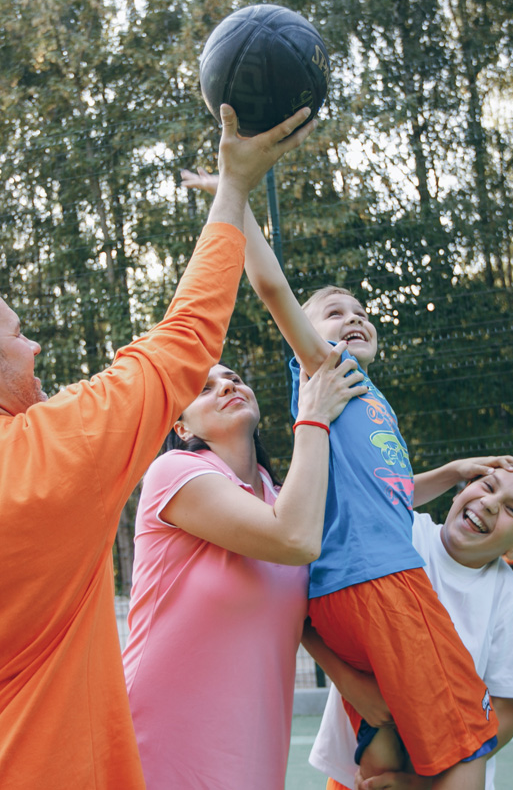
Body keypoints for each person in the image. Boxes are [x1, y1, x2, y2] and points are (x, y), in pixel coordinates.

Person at [0, 105, 315, 790]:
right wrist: (234, 186)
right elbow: (187, 336)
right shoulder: (58, 447)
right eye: (18, 333)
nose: (33, 345)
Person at [179, 168, 496, 790]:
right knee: (470, 746)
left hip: (342, 597)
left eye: (359, 312)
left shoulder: (370, 401)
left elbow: (392, 495)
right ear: (310, 331)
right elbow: (270, 286)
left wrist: (453, 472)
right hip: (383, 584)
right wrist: (234, 194)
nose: (352, 318)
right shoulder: (326, 370)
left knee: (387, 750)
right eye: (332, 312)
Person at [123, 355, 366, 789]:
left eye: (233, 378)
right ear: (183, 428)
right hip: (161, 728)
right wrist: (312, 417)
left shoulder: (282, 498)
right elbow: (295, 540)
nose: (226, 386)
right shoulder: (173, 472)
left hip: (254, 738)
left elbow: (362, 509)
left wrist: (458, 474)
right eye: (204, 387)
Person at [308, 458, 513, 790]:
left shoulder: (506, 594)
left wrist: (419, 783)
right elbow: (364, 496)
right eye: (487, 486)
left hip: (443, 778)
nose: (489, 504)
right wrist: (351, 686)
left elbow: (506, 712)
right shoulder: (401, 533)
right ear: (460, 490)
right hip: (361, 771)